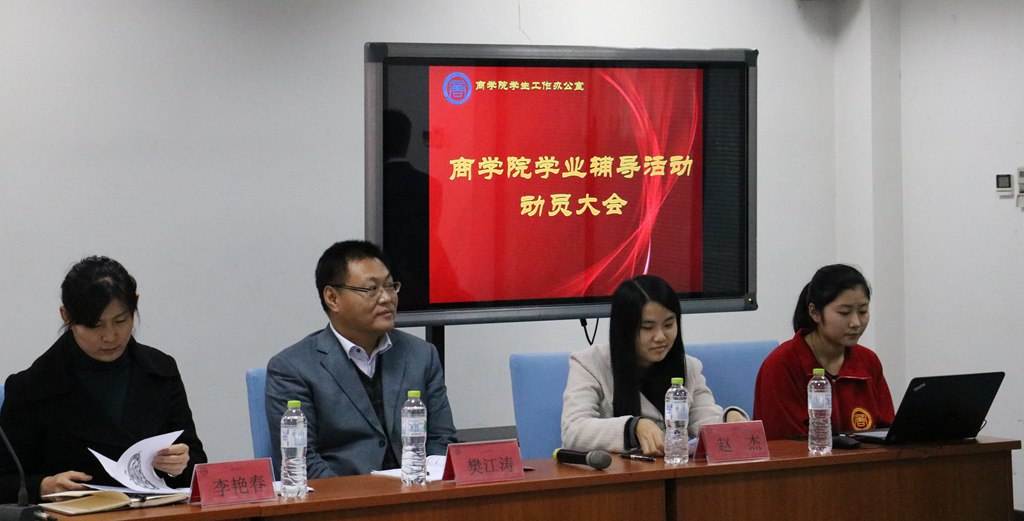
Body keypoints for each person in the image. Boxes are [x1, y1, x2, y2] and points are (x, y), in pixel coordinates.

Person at [0, 256, 207, 503]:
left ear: (135, 304)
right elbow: (5, 481)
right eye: (95, 325)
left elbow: (197, 463)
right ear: (66, 316)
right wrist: (43, 486)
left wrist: (179, 464)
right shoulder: (32, 387)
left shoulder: (161, 371)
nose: (110, 336)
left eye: (121, 321)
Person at [265, 240, 457, 477]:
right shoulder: (293, 368)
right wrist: (364, 496)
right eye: (371, 289)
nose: (386, 298)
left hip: (417, 491)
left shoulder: (421, 354)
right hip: (344, 496)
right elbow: (302, 462)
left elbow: (442, 440)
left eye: (390, 286)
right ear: (332, 298)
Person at [561, 275, 748, 457]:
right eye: (647, 328)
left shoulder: (689, 367)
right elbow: (573, 431)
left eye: (669, 324)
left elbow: (704, 418)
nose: (660, 337)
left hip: (671, 471)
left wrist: (728, 419)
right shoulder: (589, 364)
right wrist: (633, 428)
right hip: (612, 474)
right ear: (625, 328)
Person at [753, 264, 895, 440]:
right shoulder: (782, 364)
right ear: (814, 312)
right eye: (844, 313)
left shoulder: (868, 361)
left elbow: (888, 432)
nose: (856, 323)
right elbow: (787, 443)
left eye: (863, 311)